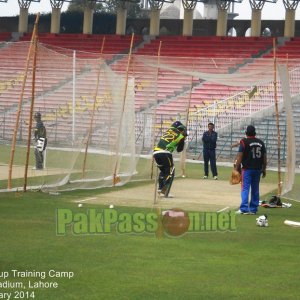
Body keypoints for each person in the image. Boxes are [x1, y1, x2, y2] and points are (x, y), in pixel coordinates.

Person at [235, 125, 267, 215]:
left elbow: (240, 156)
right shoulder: (261, 142)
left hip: (247, 169)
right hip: (258, 169)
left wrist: (236, 168)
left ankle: (244, 208)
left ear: (246, 133)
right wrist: (264, 169)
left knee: (245, 188)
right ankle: (253, 209)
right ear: (255, 133)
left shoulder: (243, 142)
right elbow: (264, 158)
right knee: (255, 189)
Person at [153, 121, 187, 198]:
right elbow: (179, 150)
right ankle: (165, 192)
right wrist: (183, 138)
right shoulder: (180, 136)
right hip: (165, 152)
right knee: (171, 171)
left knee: (163, 171)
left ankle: (160, 188)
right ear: (180, 129)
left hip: (156, 152)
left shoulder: (168, 131)